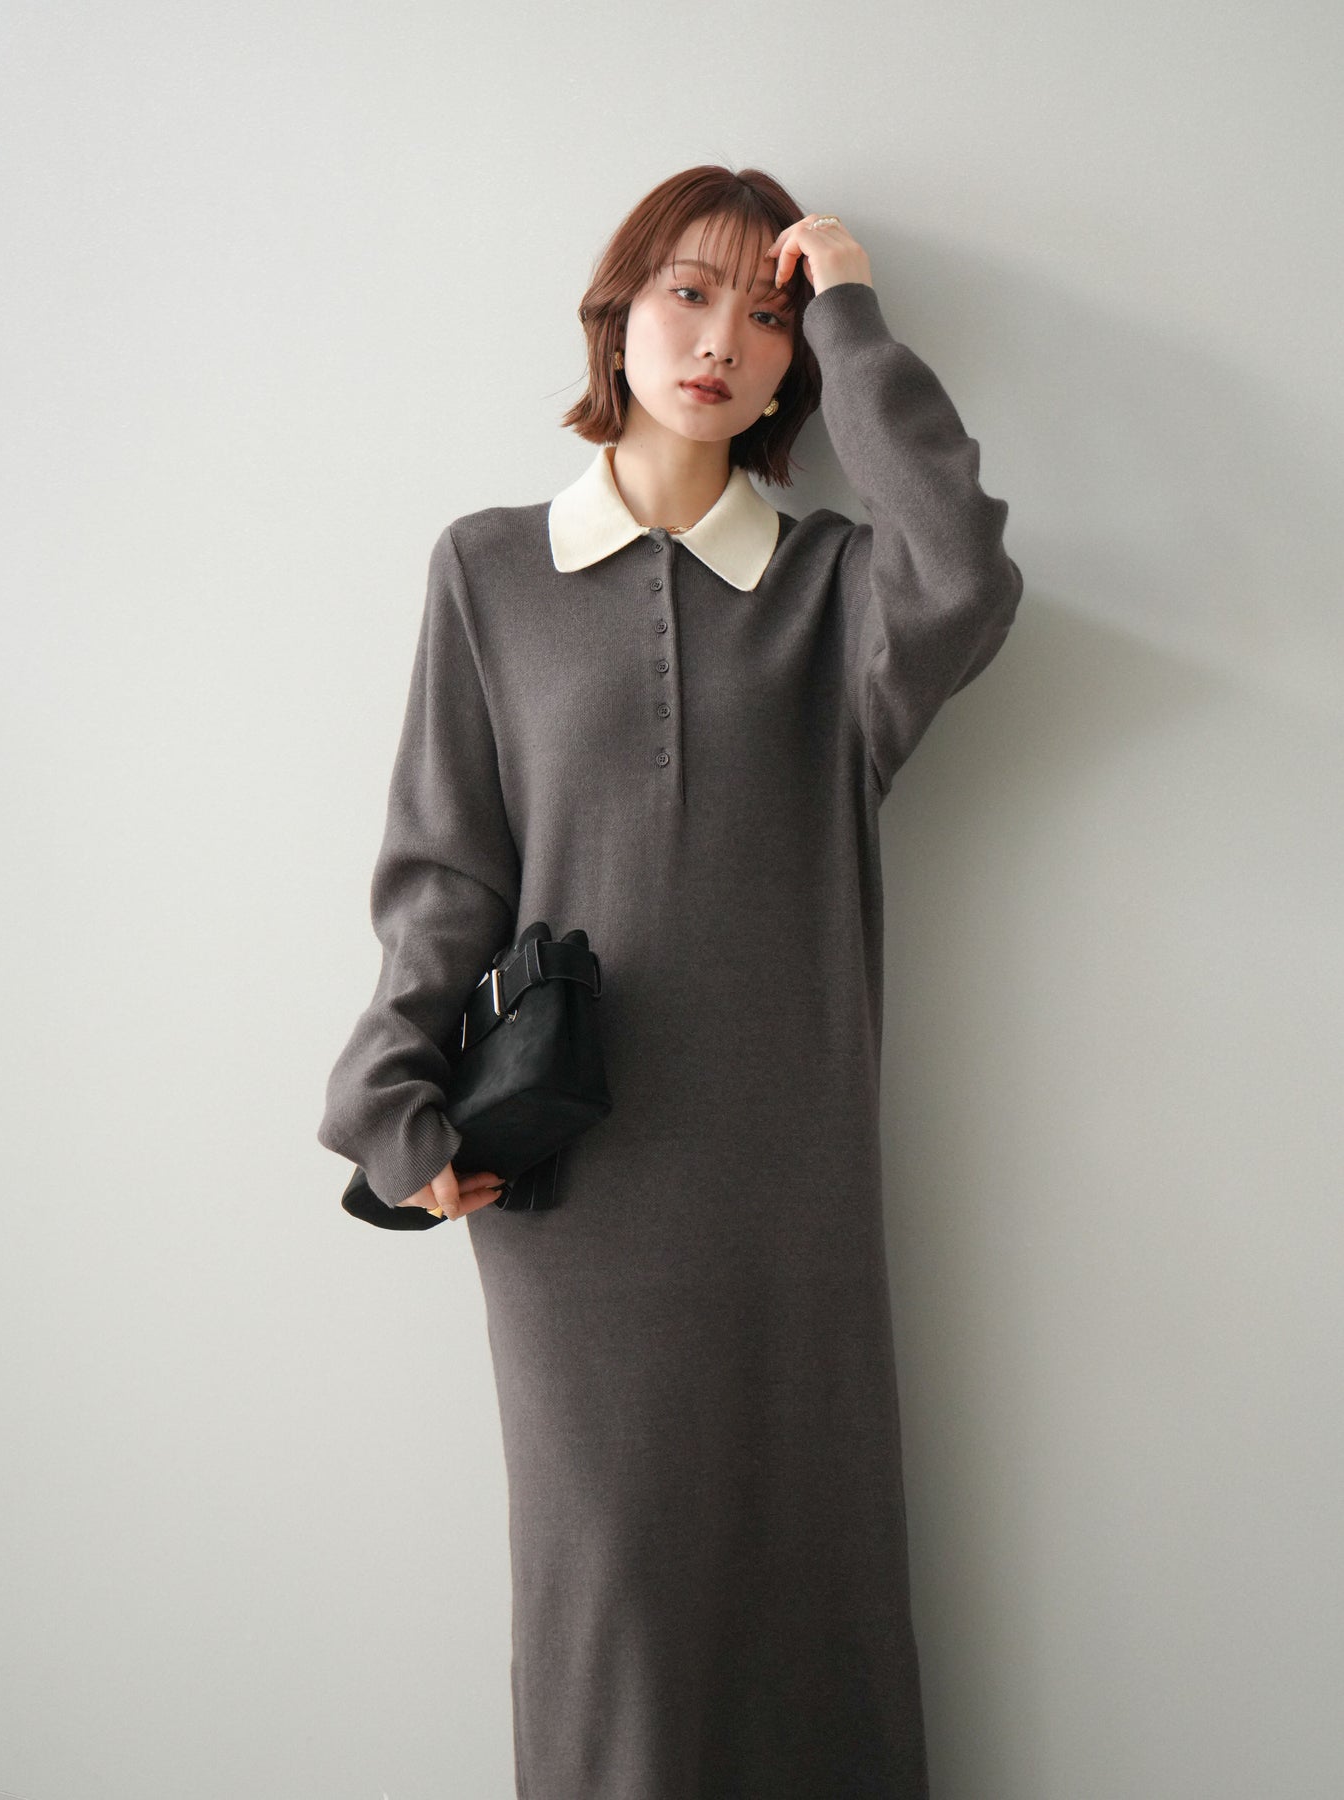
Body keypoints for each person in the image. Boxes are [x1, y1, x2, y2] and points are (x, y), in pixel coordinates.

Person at [318, 163, 1023, 1799]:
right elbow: (444, 869)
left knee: (809, 1578)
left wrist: (854, 315)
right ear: (617, 315)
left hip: (790, 1191)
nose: (720, 342)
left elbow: (966, 574)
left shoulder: (837, 590)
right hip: (572, 1188)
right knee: (611, 1593)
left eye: (765, 318)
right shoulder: (490, 571)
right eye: (687, 296)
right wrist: (388, 1087)